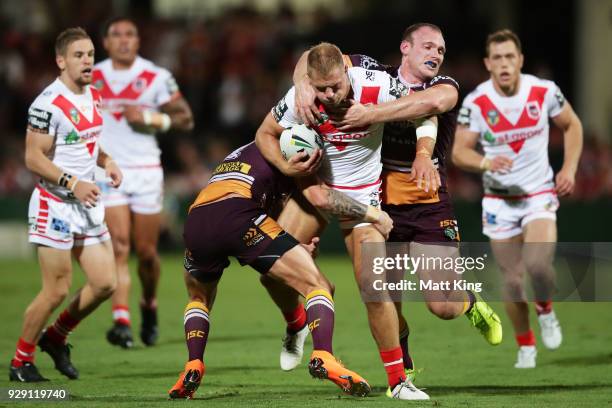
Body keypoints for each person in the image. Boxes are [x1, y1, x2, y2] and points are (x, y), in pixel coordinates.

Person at [277, 23, 502, 384]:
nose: (436, 54)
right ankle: (404, 369)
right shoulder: (373, 74)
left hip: (426, 200)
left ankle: (470, 303)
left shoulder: (443, 85)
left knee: (442, 306)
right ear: (405, 48)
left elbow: (432, 105)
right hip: (382, 201)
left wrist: (414, 146)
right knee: (383, 295)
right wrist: (303, 84)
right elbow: (316, 57)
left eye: (441, 50)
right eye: (428, 46)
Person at [256, 42, 436, 400]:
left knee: (373, 286)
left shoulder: (376, 84)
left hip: (362, 199)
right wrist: (285, 166)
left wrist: (423, 154)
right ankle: (296, 324)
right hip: (316, 196)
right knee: (270, 270)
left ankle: (399, 382)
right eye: (320, 87)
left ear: (346, 72)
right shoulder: (301, 99)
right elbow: (264, 135)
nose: (328, 94)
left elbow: (426, 113)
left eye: (335, 86)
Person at [168, 141, 393, 399]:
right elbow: (316, 198)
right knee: (317, 285)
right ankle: (324, 356)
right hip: (239, 215)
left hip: (198, 219)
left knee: (199, 298)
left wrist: (293, 247)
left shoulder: (251, 149)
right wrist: (375, 215)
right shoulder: (294, 155)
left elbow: (267, 212)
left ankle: (193, 364)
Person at [452, 29, 583, 368]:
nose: (504, 63)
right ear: (488, 64)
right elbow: (459, 152)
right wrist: (484, 162)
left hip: (538, 194)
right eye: (497, 58)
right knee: (510, 281)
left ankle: (546, 309)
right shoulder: (477, 102)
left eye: (510, 56)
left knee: (538, 267)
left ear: (520, 60)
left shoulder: (543, 91)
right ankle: (525, 345)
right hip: (498, 201)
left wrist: (568, 169)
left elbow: (572, 125)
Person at [9, 27, 122, 382]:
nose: (87, 61)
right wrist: (73, 182)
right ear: (60, 61)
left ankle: (56, 338)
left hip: (85, 206)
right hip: (54, 204)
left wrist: (108, 162)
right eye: (78, 55)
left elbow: (90, 145)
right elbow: (33, 158)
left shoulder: (94, 96)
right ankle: (20, 361)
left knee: (106, 282)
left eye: (90, 54)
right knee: (57, 288)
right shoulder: (47, 104)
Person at [92, 17, 194, 348]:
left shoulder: (155, 77)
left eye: (130, 34)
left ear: (138, 41)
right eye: (116, 34)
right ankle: (121, 320)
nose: (123, 40)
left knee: (147, 253)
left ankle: (148, 304)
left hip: (147, 169)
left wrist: (151, 118)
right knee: (119, 246)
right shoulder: (92, 76)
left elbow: (185, 118)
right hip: (109, 170)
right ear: (105, 43)